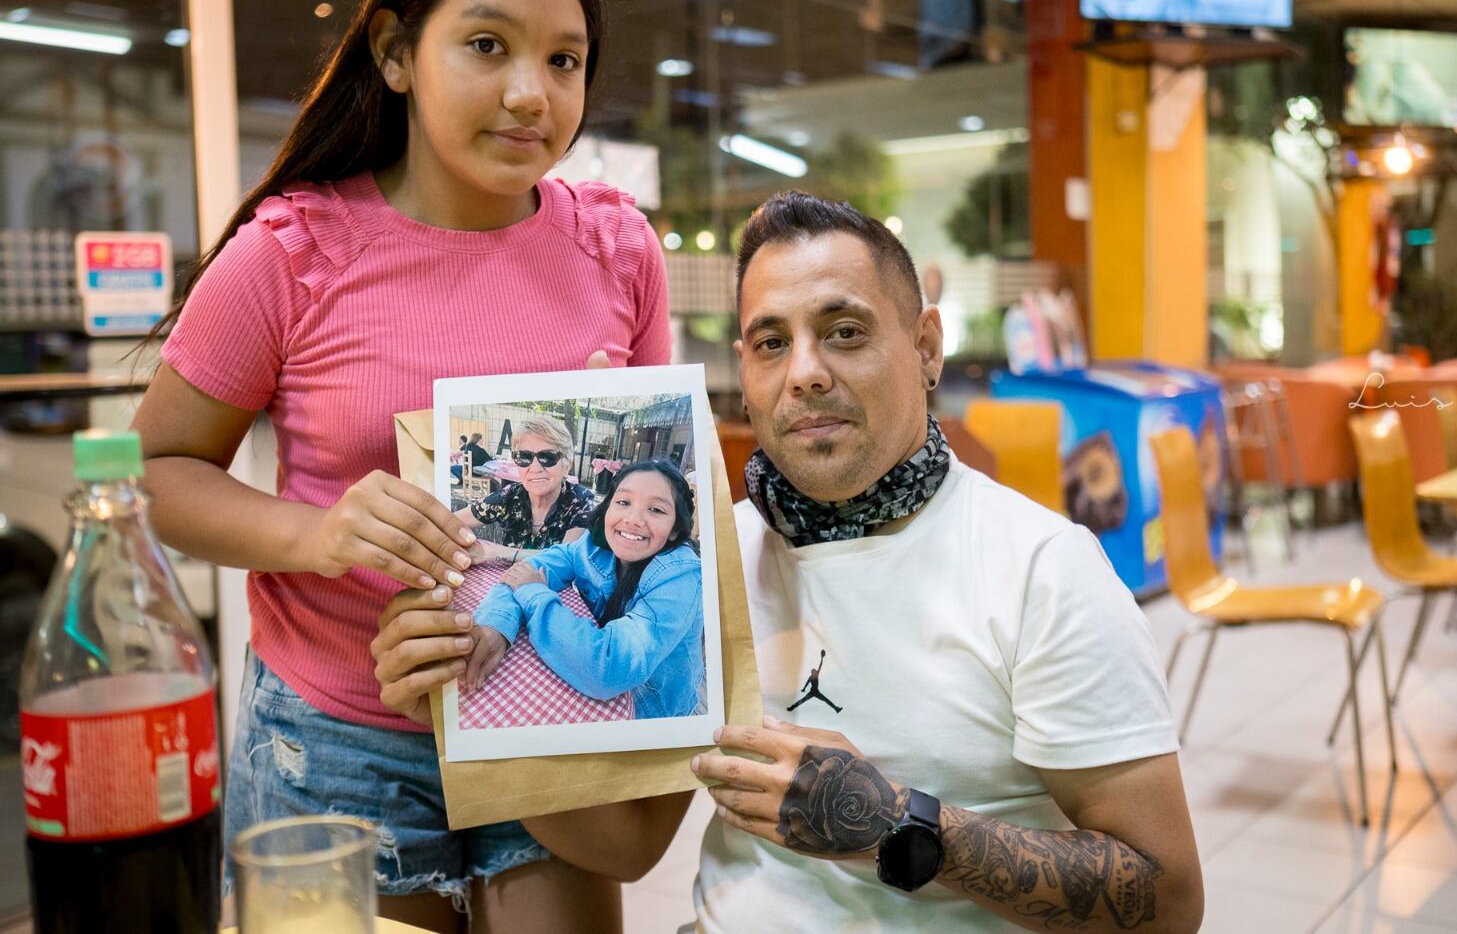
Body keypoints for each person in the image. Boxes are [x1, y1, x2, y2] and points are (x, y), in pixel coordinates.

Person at [373, 191, 1203, 931]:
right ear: (745, 371)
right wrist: (457, 705)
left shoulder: (1042, 568)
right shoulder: (712, 559)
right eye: (772, 343)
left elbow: (1166, 900)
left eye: (844, 332)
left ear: (925, 348)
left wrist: (899, 828)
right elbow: (628, 848)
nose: (804, 373)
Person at [129, 0, 685, 933]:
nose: (531, 94)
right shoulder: (291, 254)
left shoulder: (618, 249)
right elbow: (155, 471)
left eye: (565, 61)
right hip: (342, 733)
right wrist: (321, 533)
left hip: (547, 703)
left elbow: (659, 488)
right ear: (394, 53)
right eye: (487, 45)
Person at [464, 460, 705, 719]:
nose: (633, 520)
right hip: (586, 687)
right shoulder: (593, 545)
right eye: (623, 502)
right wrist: (496, 624)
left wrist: (534, 593)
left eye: (656, 509)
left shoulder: (681, 576)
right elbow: (527, 571)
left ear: (675, 528)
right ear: (608, 505)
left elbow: (608, 668)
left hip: (654, 713)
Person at [456, 416, 595, 556]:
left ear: (567, 465)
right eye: (524, 456)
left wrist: (497, 552)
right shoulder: (509, 496)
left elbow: (565, 559)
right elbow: (450, 522)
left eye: (548, 456)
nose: (535, 468)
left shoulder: (580, 500)